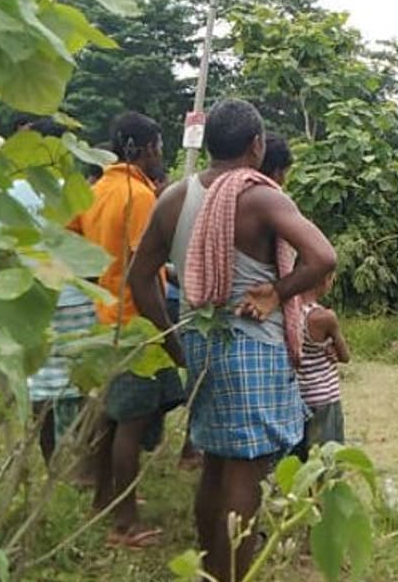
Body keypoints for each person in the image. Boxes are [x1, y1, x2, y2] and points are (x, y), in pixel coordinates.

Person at [126, 99, 335, 582]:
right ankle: (232, 575)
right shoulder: (260, 196)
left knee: (217, 465)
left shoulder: (173, 198)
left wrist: (176, 343)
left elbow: (140, 279)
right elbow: (323, 257)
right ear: (256, 145)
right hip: (253, 347)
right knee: (246, 472)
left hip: (201, 343)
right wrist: (277, 291)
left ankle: (212, 569)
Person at [70, 111, 185, 549]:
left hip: (104, 318)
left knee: (107, 416)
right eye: (156, 146)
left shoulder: (95, 189)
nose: (160, 155)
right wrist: (169, 336)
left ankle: (103, 498)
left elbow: (74, 245)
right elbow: (142, 274)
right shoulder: (139, 196)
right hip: (136, 323)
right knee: (131, 425)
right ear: (138, 148)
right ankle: (126, 522)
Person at [7, 115, 98, 471]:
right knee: (82, 384)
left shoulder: (9, 193)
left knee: (40, 387)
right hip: (74, 296)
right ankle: (82, 466)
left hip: (29, 299)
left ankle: (50, 463)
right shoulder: (74, 192)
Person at [290, 273, 349, 462]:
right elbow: (345, 356)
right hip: (324, 398)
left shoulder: (289, 311)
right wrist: (332, 346)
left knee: (299, 458)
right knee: (326, 461)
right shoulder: (324, 317)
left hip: (297, 397)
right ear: (324, 280)